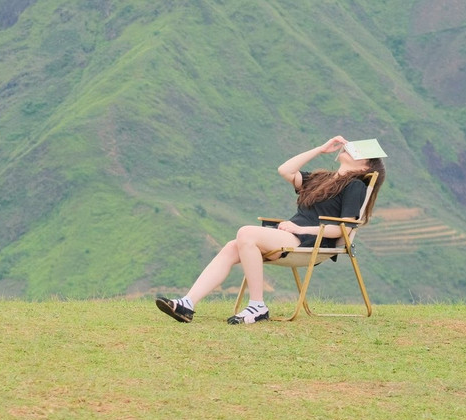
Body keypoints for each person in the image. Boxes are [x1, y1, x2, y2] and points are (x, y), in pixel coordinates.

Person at [155, 136, 387, 324]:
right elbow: (285, 170)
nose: (349, 149)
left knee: (246, 233)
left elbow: (343, 230)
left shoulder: (355, 186)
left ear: (365, 166)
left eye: (358, 152)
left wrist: (301, 228)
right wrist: (320, 149)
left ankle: (257, 306)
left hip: (307, 242)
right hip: (290, 235)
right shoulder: (322, 178)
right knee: (231, 247)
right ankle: (188, 304)